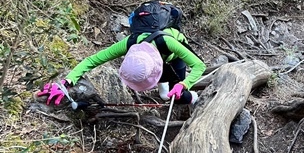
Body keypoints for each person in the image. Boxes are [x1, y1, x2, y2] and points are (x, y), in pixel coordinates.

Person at [37, 25, 206, 106]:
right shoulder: (129, 43)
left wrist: (184, 84)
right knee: (164, 96)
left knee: (180, 97)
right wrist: (66, 82)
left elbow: (199, 66)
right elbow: (91, 61)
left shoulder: (168, 41)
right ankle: (168, 94)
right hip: (153, 62)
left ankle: (196, 100)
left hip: (174, 57)